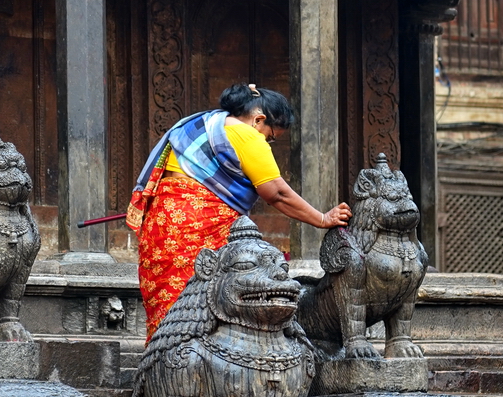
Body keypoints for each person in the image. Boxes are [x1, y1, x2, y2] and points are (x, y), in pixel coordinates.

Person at [127, 83, 352, 341]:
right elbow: (276, 193)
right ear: (259, 120)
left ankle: (162, 362)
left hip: (161, 224)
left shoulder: (201, 123)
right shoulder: (247, 135)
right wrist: (323, 219)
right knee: (203, 302)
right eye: (270, 136)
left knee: (170, 300)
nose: (266, 142)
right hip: (200, 226)